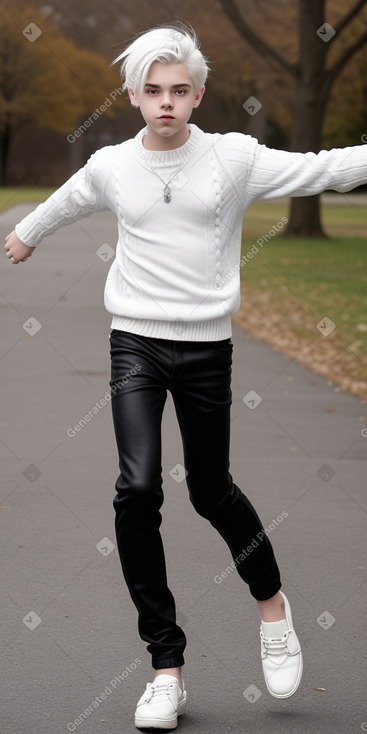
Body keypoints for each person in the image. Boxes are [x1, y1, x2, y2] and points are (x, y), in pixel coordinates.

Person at [4, 21, 367, 731]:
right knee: (135, 488)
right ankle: (164, 668)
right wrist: (26, 234)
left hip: (205, 348)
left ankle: (272, 608)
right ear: (134, 95)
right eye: (152, 91)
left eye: (178, 91)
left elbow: (321, 166)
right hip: (134, 343)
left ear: (197, 95)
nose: (165, 102)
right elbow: (69, 198)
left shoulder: (233, 158)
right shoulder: (113, 165)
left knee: (210, 490)